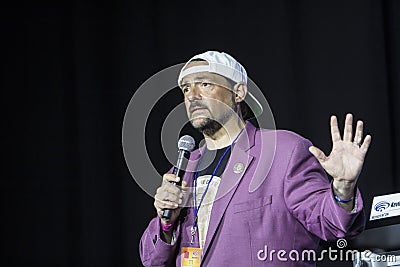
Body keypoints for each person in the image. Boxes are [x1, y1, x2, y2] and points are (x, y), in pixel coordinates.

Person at [139, 51, 371, 266]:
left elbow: (333, 226)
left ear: (238, 93)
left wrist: (343, 189)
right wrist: (165, 223)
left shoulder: (283, 151)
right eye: (186, 89)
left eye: (205, 84)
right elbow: (152, 260)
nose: (193, 96)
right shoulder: (184, 169)